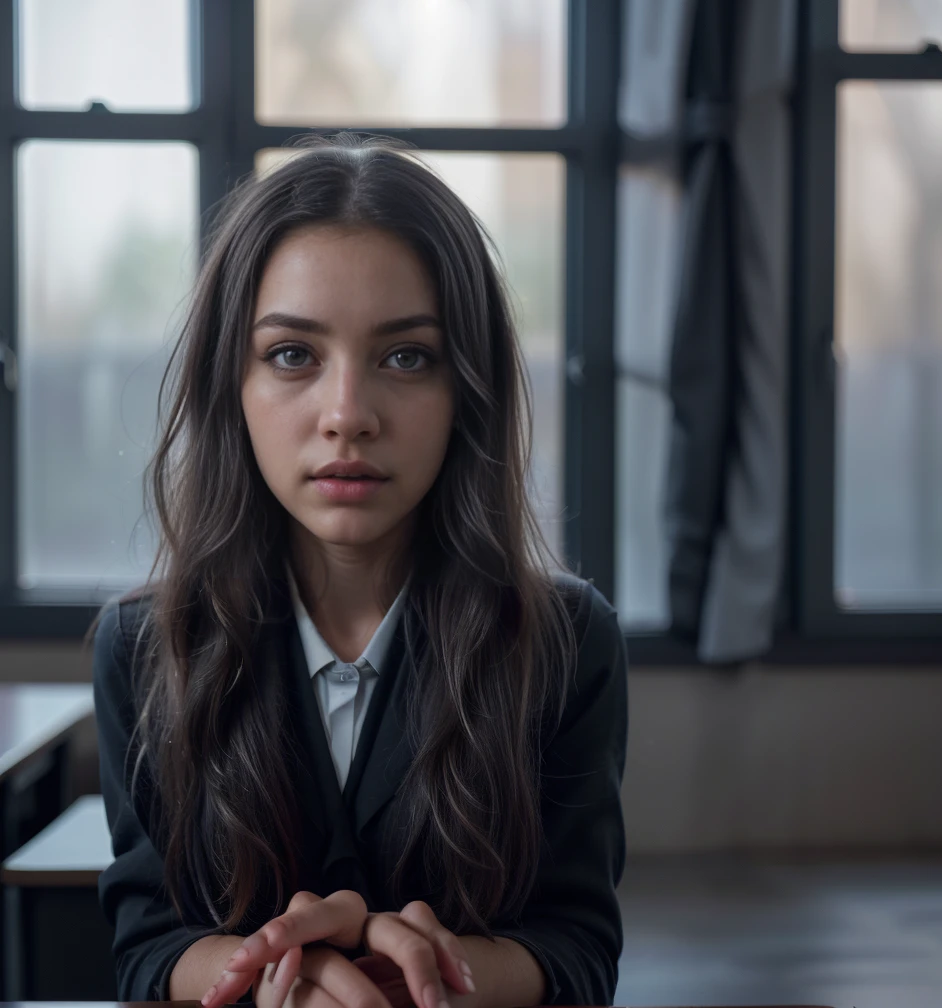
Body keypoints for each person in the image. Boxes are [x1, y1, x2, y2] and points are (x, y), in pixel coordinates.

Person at [85, 134, 629, 1008]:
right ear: (233, 384)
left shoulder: (565, 642)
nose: (347, 415)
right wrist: (287, 978)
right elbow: (148, 946)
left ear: (468, 389)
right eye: (293, 355)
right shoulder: (146, 645)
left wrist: (407, 971)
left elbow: (575, 953)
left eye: (406, 356)